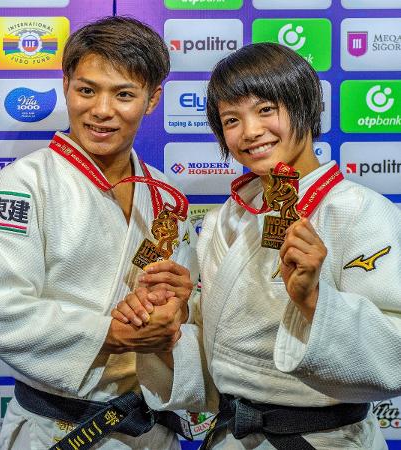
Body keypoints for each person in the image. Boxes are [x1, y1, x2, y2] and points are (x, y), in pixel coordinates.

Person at [112, 43, 401, 449]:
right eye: (232, 119)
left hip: (324, 438)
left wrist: (314, 300)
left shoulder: (359, 209)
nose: (250, 132)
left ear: (304, 104)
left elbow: (396, 353)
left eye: (266, 109)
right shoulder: (221, 220)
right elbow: (223, 351)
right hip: (233, 434)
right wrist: (172, 320)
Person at [0, 16, 198, 450]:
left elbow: (192, 309)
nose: (102, 110)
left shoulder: (167, 195)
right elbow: (0, 313)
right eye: (86, 89)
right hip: (58, 429)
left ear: (152, 100)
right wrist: (115, 333)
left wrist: (181, 308)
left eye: (124, 94)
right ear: (66, 84)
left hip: (150, 429)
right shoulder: (21, 188)